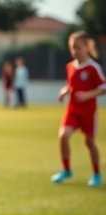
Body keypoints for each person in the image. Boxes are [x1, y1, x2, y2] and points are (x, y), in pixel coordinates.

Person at [51, 31, 106, 187]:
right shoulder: (70, 67)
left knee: (89, 142)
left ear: (87, 47)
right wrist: (65, 91)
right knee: (63, 136)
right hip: (73, 110)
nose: (75, 51)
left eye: (78, 47)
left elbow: (103, 87)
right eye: (72, 47)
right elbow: (72, 85)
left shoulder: (93, 68)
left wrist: (88, 94)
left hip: (88, 112)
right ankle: (66, 169)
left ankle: (96, 173)